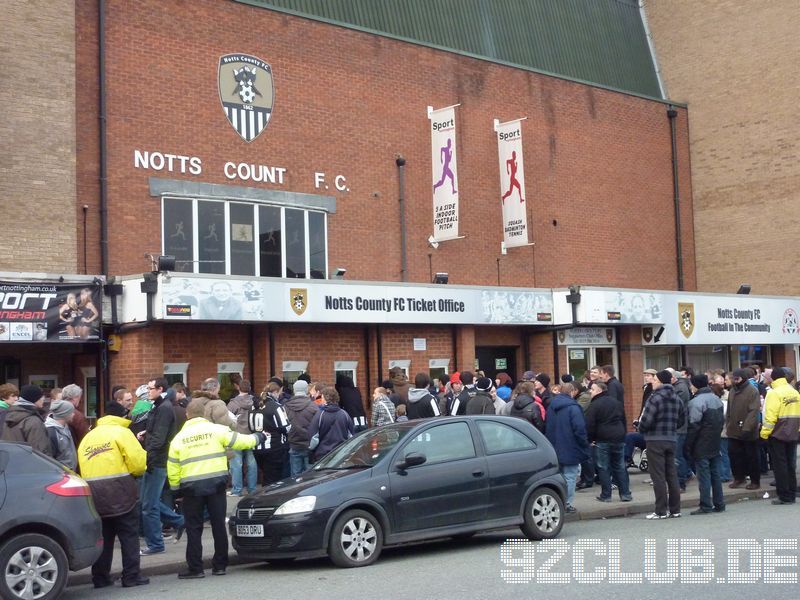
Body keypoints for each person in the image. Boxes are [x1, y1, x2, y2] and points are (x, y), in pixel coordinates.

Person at [168, 399, 266, 578]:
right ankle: (220, 565)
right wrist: (259, 436)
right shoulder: (217, 430)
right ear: (204, 414)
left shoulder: (178, 439)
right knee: (218, 525)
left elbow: (172, 467)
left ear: (188, 415)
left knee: (194, 527)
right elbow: (242, 441)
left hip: (191, 488)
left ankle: (195, 568)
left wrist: (176, 490)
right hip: (216, 484)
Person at [79, 402, 149, 588]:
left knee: (104, 538)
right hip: (121, 491)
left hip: (94, 494)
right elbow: (138, 463)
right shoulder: (122, 433)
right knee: (128, 536)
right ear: (121, 416)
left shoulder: (89, 436)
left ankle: (100, 578)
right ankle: (131, 577)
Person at [139, 377, 185, 556]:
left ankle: (156, 544)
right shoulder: (159, 406)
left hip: (157, 461)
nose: (148, 391)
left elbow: (159, 439)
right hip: (155, 460)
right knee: (147, 502)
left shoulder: (164, 408)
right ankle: (179, 520)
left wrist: (148, 455)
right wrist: (146, 433)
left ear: (159, 389)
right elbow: (157, 432)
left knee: (148, 506)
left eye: (150, 388)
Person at [638, 370, 685, 519]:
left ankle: (660, 511)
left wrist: (640, 427)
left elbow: (646, 420)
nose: (652, 382)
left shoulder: (654, 398)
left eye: (655, 380)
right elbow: (682, 420)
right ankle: (675, 509)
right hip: (671, 438)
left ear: (660, 382)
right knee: (672, 475)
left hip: (655, 439)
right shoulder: (677, 398)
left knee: (658, 476)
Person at [544, 382, 589, 513]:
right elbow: (579, 429)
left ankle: (558, 503)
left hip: (554, 447)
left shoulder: (551, 406)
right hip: (570, 447)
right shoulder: (574, 407)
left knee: (559, 477)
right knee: (570, 476)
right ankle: (567, 504)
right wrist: (584, 444)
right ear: (573, 392)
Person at [584, 381, 632, 503]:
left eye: (593, 389)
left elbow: (590, 424)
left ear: (599, 391)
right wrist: (623, 434)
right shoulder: (616, 403)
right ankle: (625, 494)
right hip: (619, 437)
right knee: (620, 466)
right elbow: (623, 420)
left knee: (603, 467)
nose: (590, 391)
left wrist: (590, 439)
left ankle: (606, 495)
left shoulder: (594, 405)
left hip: (603, 438)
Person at [685, 374, 725, 514]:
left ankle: (705, 505)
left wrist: (688, 445)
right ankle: (719, 503)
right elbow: (721, 421)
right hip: (714, 441)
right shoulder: (716, 399)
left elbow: (693, 426)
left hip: (701, 443)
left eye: (691, 384)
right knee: (715, 474)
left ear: (696, 385)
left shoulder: (696, 402)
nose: (690, 387)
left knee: (704, 476)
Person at [760, 367, 800, 505]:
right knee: (790, 464)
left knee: (780, 465)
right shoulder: (794, 392)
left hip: (777, 434)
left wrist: (764, 434)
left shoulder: (773, 393)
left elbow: (770, 417)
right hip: (793, 433)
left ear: (773, 378)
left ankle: (784, 495)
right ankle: (792, 492)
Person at [726, 367, 762, 489]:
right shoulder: (732, 390)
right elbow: (729, 411)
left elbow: (753, 411)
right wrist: (728, 424)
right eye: (733, 379)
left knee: (751, 457)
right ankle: (739, 478)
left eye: (737, 379)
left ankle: (755, 481)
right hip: (733, 430)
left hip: (748, 431)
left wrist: (747, 429)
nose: (734, 381)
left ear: (743, 378)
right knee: (735, 456)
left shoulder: (752, 391)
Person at [249, 382, 290, 485]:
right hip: (275, 448)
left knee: (267, 477)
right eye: (280, 392)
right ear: (275, 392)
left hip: (257, 447)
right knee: (275, 480)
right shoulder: (276, 407)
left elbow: (250, 427)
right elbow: (286, 428)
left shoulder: (253, 407)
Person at [0, 384, 52, 456]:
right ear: (34, 399)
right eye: (41, 397)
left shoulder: (10, 414)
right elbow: (40, 451)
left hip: (12, 462)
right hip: (30, 464)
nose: (43, 399)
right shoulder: (33, 420)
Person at [227, 379, 257, 495]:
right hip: (251, 436)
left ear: (239, 388)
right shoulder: (255, 401)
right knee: (251, 464)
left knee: (236, 464)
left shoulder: (233, 404)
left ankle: (237, 490)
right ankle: (252, 489)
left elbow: (228, 420)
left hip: (236, 436)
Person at [307, 387, 354, 461]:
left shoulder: (320, 415)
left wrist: (311, 449)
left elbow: (314, 437)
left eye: (322, 398)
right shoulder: (344, 414)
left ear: (326, 399)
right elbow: (351, 436)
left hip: (323, 456)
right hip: (341, 454)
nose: (321, 400)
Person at [284, 379, 318, 477]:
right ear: (306, 390)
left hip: (293, 444)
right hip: (309, 445)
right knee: (310, 477)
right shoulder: (313, 406)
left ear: (294, 390)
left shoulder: (286, 406)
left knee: (295, 477)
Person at [669, 367, 694, 490]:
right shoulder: (679, 387)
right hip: (680, 426)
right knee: (680, 454)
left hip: (680, 427)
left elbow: (677, 408)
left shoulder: (680, 389)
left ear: (674, 377)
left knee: (677, 455)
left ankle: (681, 480)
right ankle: (686, 474)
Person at [45, 400, 77, 471]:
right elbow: (50, 458)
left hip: (69, 474)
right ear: (64, 414)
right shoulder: (51, 432)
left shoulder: (66, 427)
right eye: (71, 412)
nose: (73, 414)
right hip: (61, 475)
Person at [62, 383, 90, 448]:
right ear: (75, 398)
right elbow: (85, 438)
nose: (80, 400)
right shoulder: (77, 416)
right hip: (73, 451)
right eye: (79, 397)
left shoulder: (52, 412)